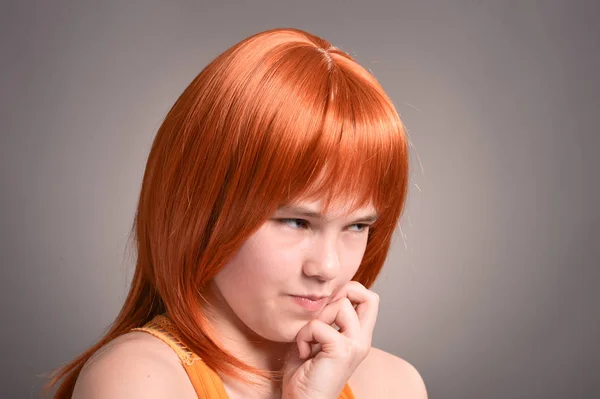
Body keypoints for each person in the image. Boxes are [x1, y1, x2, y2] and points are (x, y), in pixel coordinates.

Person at [41, 27, 427, 398]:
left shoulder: (394, 385)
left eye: (357, 226)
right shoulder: (136, 379)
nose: (326, 267)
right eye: (296, 221)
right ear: (205, 208)